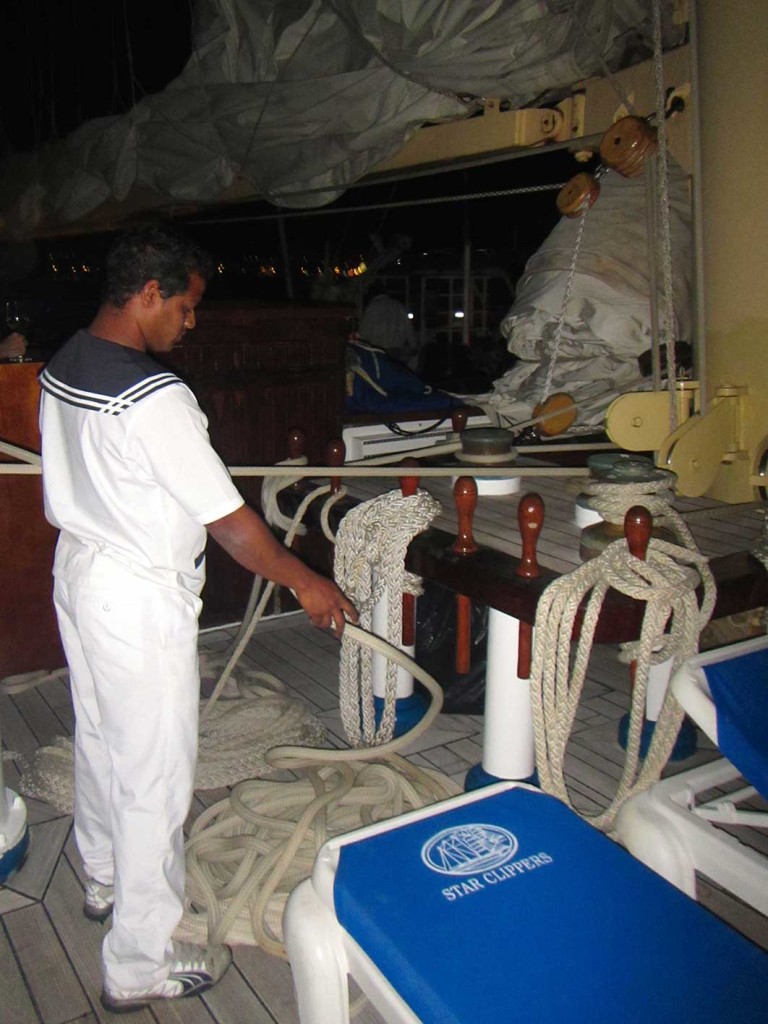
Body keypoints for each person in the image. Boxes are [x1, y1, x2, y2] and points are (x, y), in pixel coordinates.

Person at [38, 224, 358, 1013]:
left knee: (102, 735)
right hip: (136, 593)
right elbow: (230, 523)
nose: (191, 322)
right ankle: (138, 963)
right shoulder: (157, 397)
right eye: (185, 306)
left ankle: (105, 874)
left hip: (80, 572)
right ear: (149, 294)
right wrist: (307, 583)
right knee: (154, 774)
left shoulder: (63, 363)